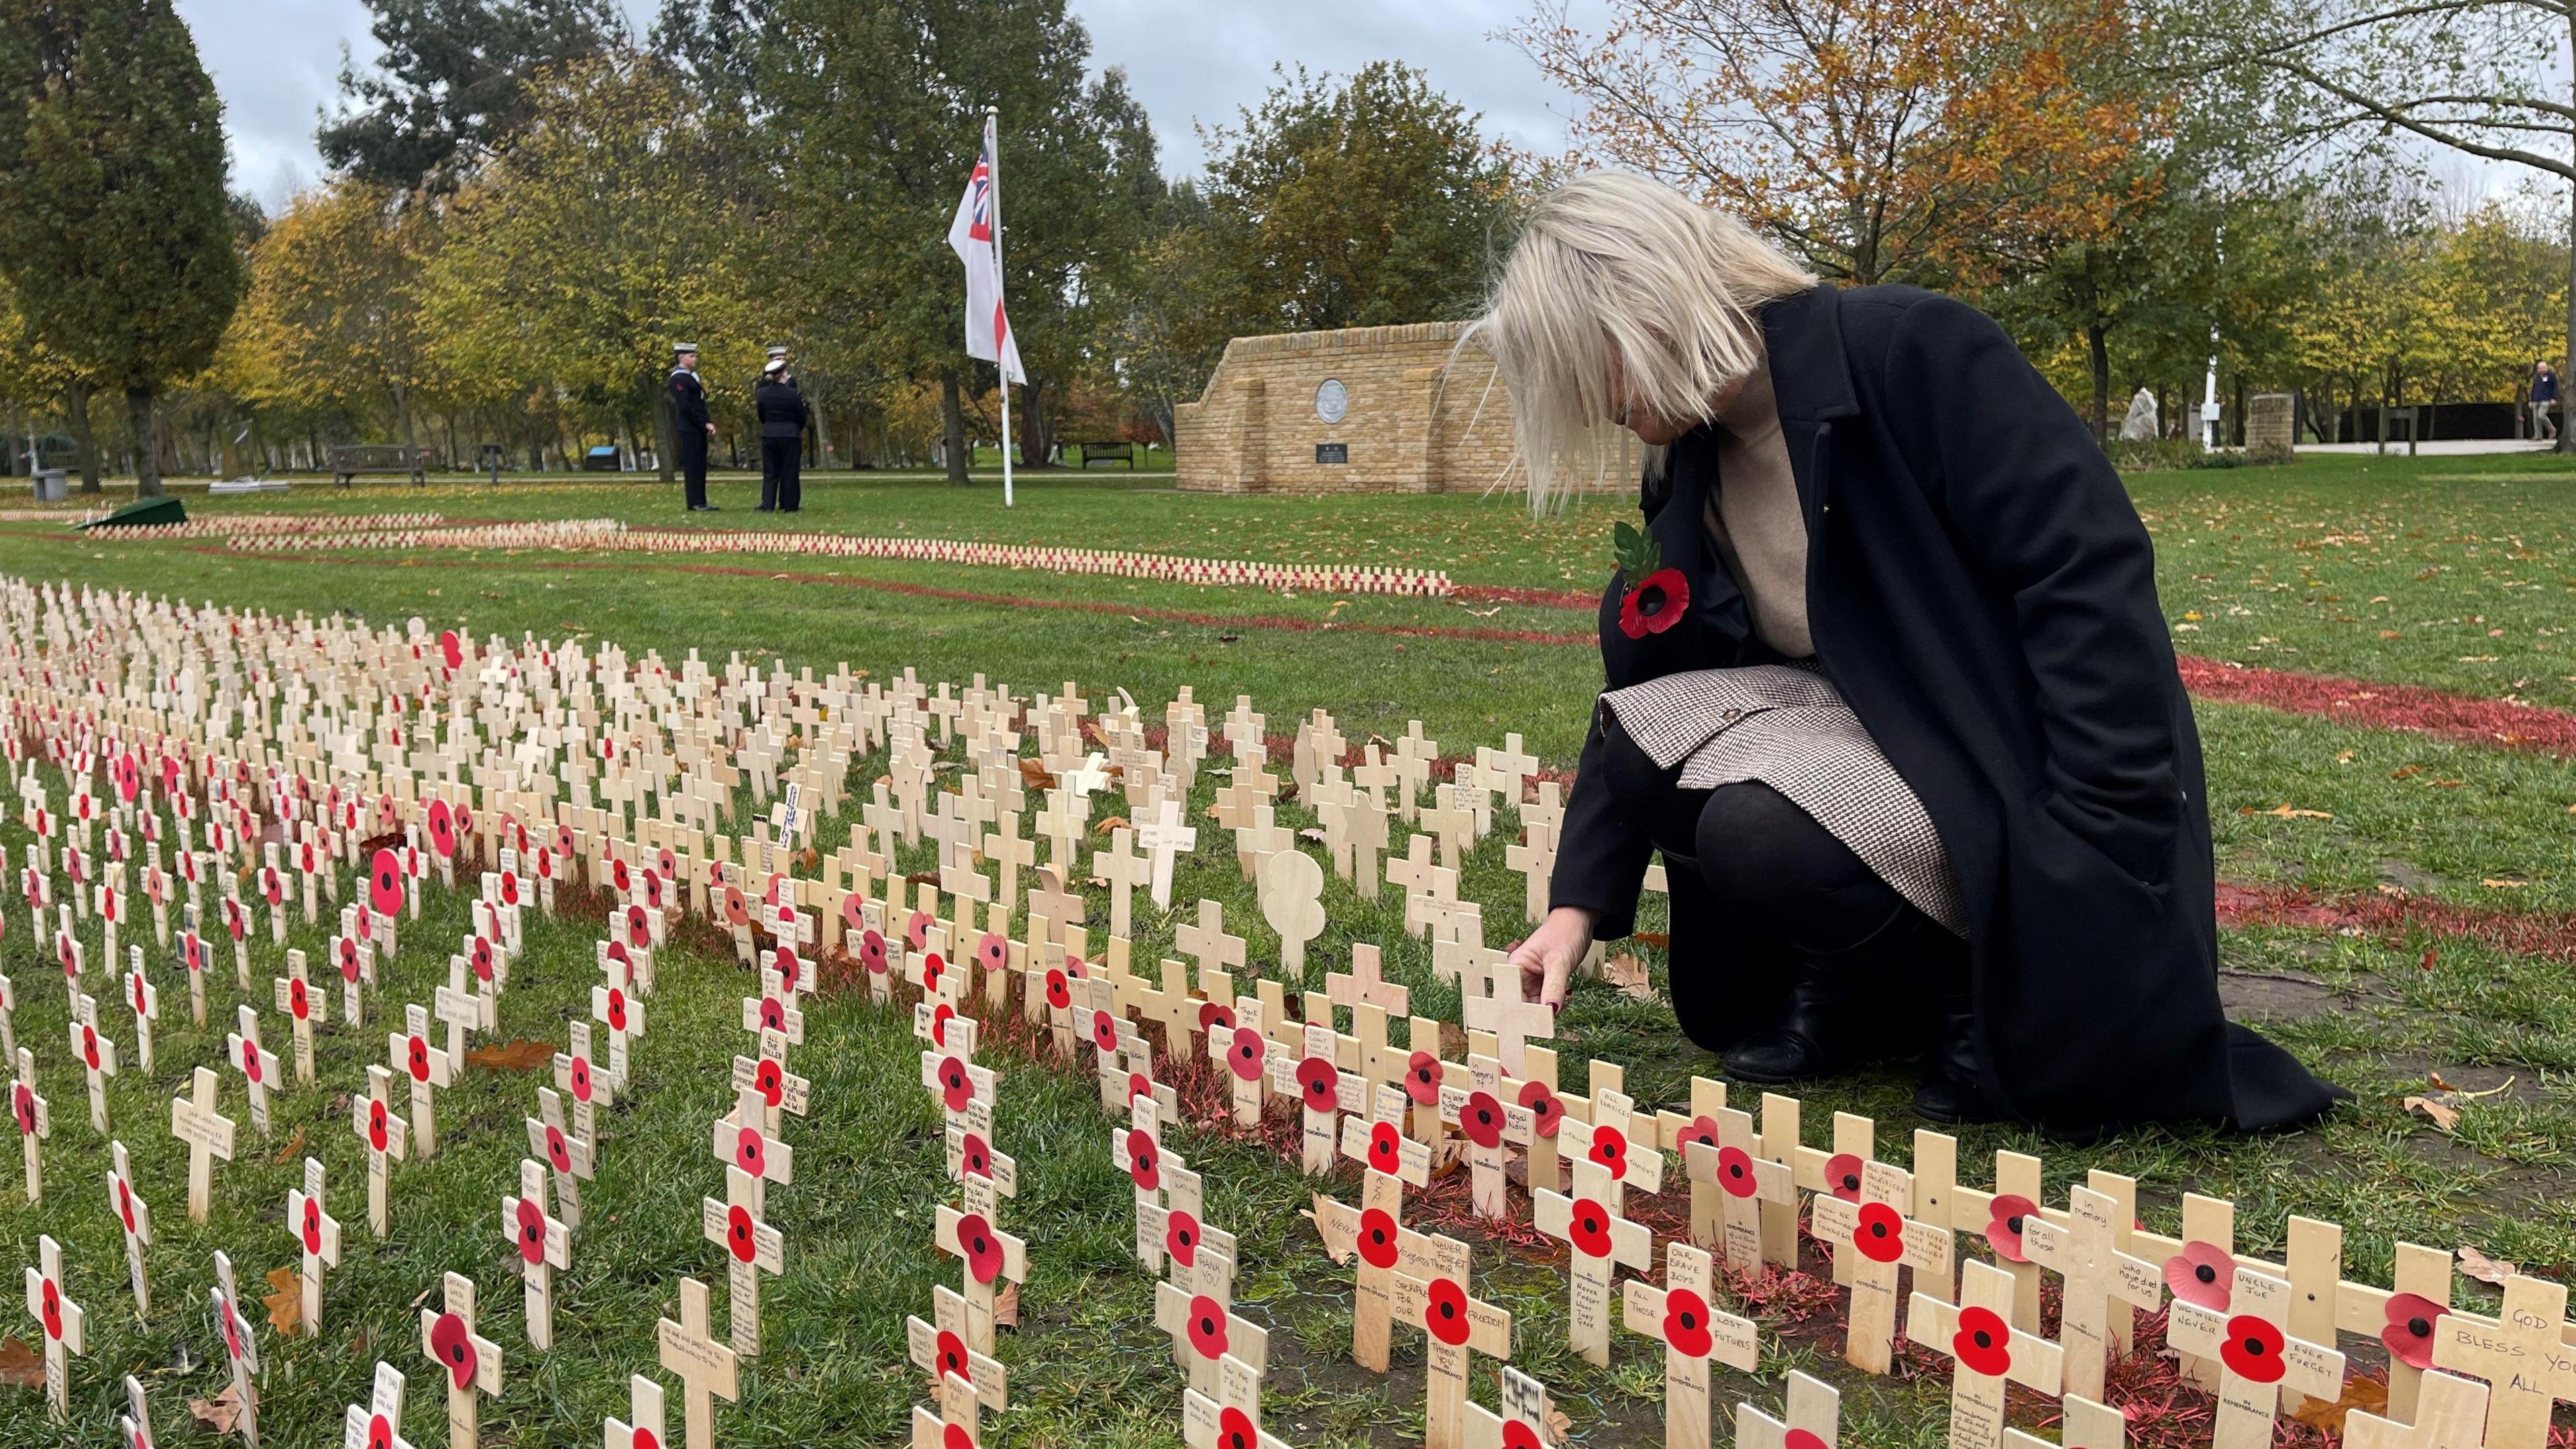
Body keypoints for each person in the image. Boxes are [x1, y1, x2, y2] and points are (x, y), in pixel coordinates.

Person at [1475, 172, 2343, 1136]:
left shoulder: (1914, 351)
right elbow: (1651, 684)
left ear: (1642, 306)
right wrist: (1577, 906)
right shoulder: (1689, 457)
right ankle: (1847, 980)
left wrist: (2107, 831)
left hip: (2001, 745)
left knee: (1756, 830)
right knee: (1658, 748)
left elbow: (2085, 574)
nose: (1590, 407)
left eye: (1581, 369)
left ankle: (1977, 993)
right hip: (1857, 735)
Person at [755, 350, 809, 513]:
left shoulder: (762, 393)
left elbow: (761, 415)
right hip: (790, 434)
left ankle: (768, 504)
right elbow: (801, 416)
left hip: (769, 433)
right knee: (790, 471)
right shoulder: (792, 395)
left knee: (770, 471)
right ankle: (789, 505)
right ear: (783, 374)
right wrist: (795, 428)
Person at [671, 343, 716, 511]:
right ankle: (694, 502)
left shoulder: (691, 376)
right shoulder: (678, 378)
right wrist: (702, 423)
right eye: (691, 356)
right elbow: (686, 406)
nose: (694, 359)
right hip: (689, 428)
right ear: (681, 357)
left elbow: (700, 403)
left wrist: (707, 422)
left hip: (698, 427)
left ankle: (701, 500)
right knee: (692, 466)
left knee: (700, 465)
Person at [2530, 362, 2557, 441]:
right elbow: (2533, 389)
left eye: (2543, 368)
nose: (2541, 369)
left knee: (2541, 415)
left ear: (2547, 368)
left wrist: (2554, 398)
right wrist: (2531, 401)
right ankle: (2538, 436)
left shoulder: (2551, 376)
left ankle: (2552, 429)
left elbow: (2555, 388)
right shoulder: (2537, 377)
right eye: (2540, 368)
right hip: (2536, 400)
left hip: (2547, 399)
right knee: (2536, 418)